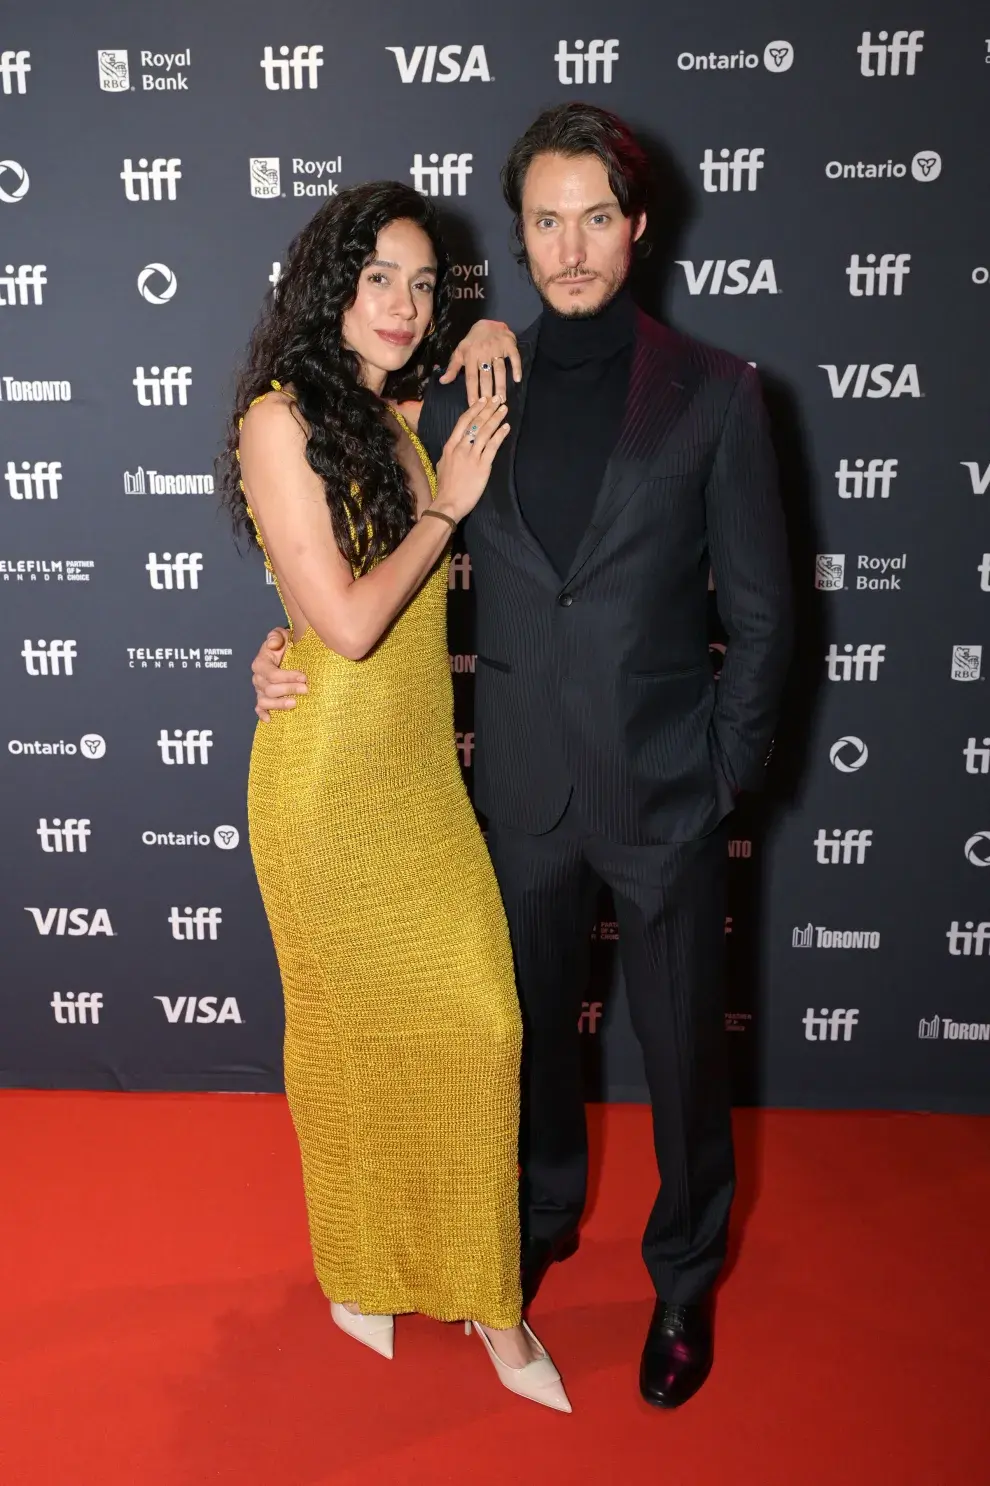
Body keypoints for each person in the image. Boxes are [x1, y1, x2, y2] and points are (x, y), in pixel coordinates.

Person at [252, 106, 793, 1409]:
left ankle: (679, 1280)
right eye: (544, 219)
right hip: (511, 797)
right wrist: (278, 651)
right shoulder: (466, 388)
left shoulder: (715, 394)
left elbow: (767, 613)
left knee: (679, 1056)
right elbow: (351, 545)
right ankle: (535, 1224)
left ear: (638, 224)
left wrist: (716, 776)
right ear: (519, 235)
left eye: (594, 216)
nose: (570, 245)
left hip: (661, 791)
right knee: (526, 1040)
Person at [220, 180, 571, 1413]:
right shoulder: (280, 420)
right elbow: (356, 623)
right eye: (380, 279)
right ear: (331, 286)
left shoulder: (396, 410)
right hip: (324, 792)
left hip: (417, 781)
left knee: (480, 1025)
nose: (404, 305)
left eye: (425, 284)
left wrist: (488, 332)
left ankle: (486, 1291)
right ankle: (362, 1266)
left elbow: (499, 353)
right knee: (344, 1044)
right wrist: (445, 508)